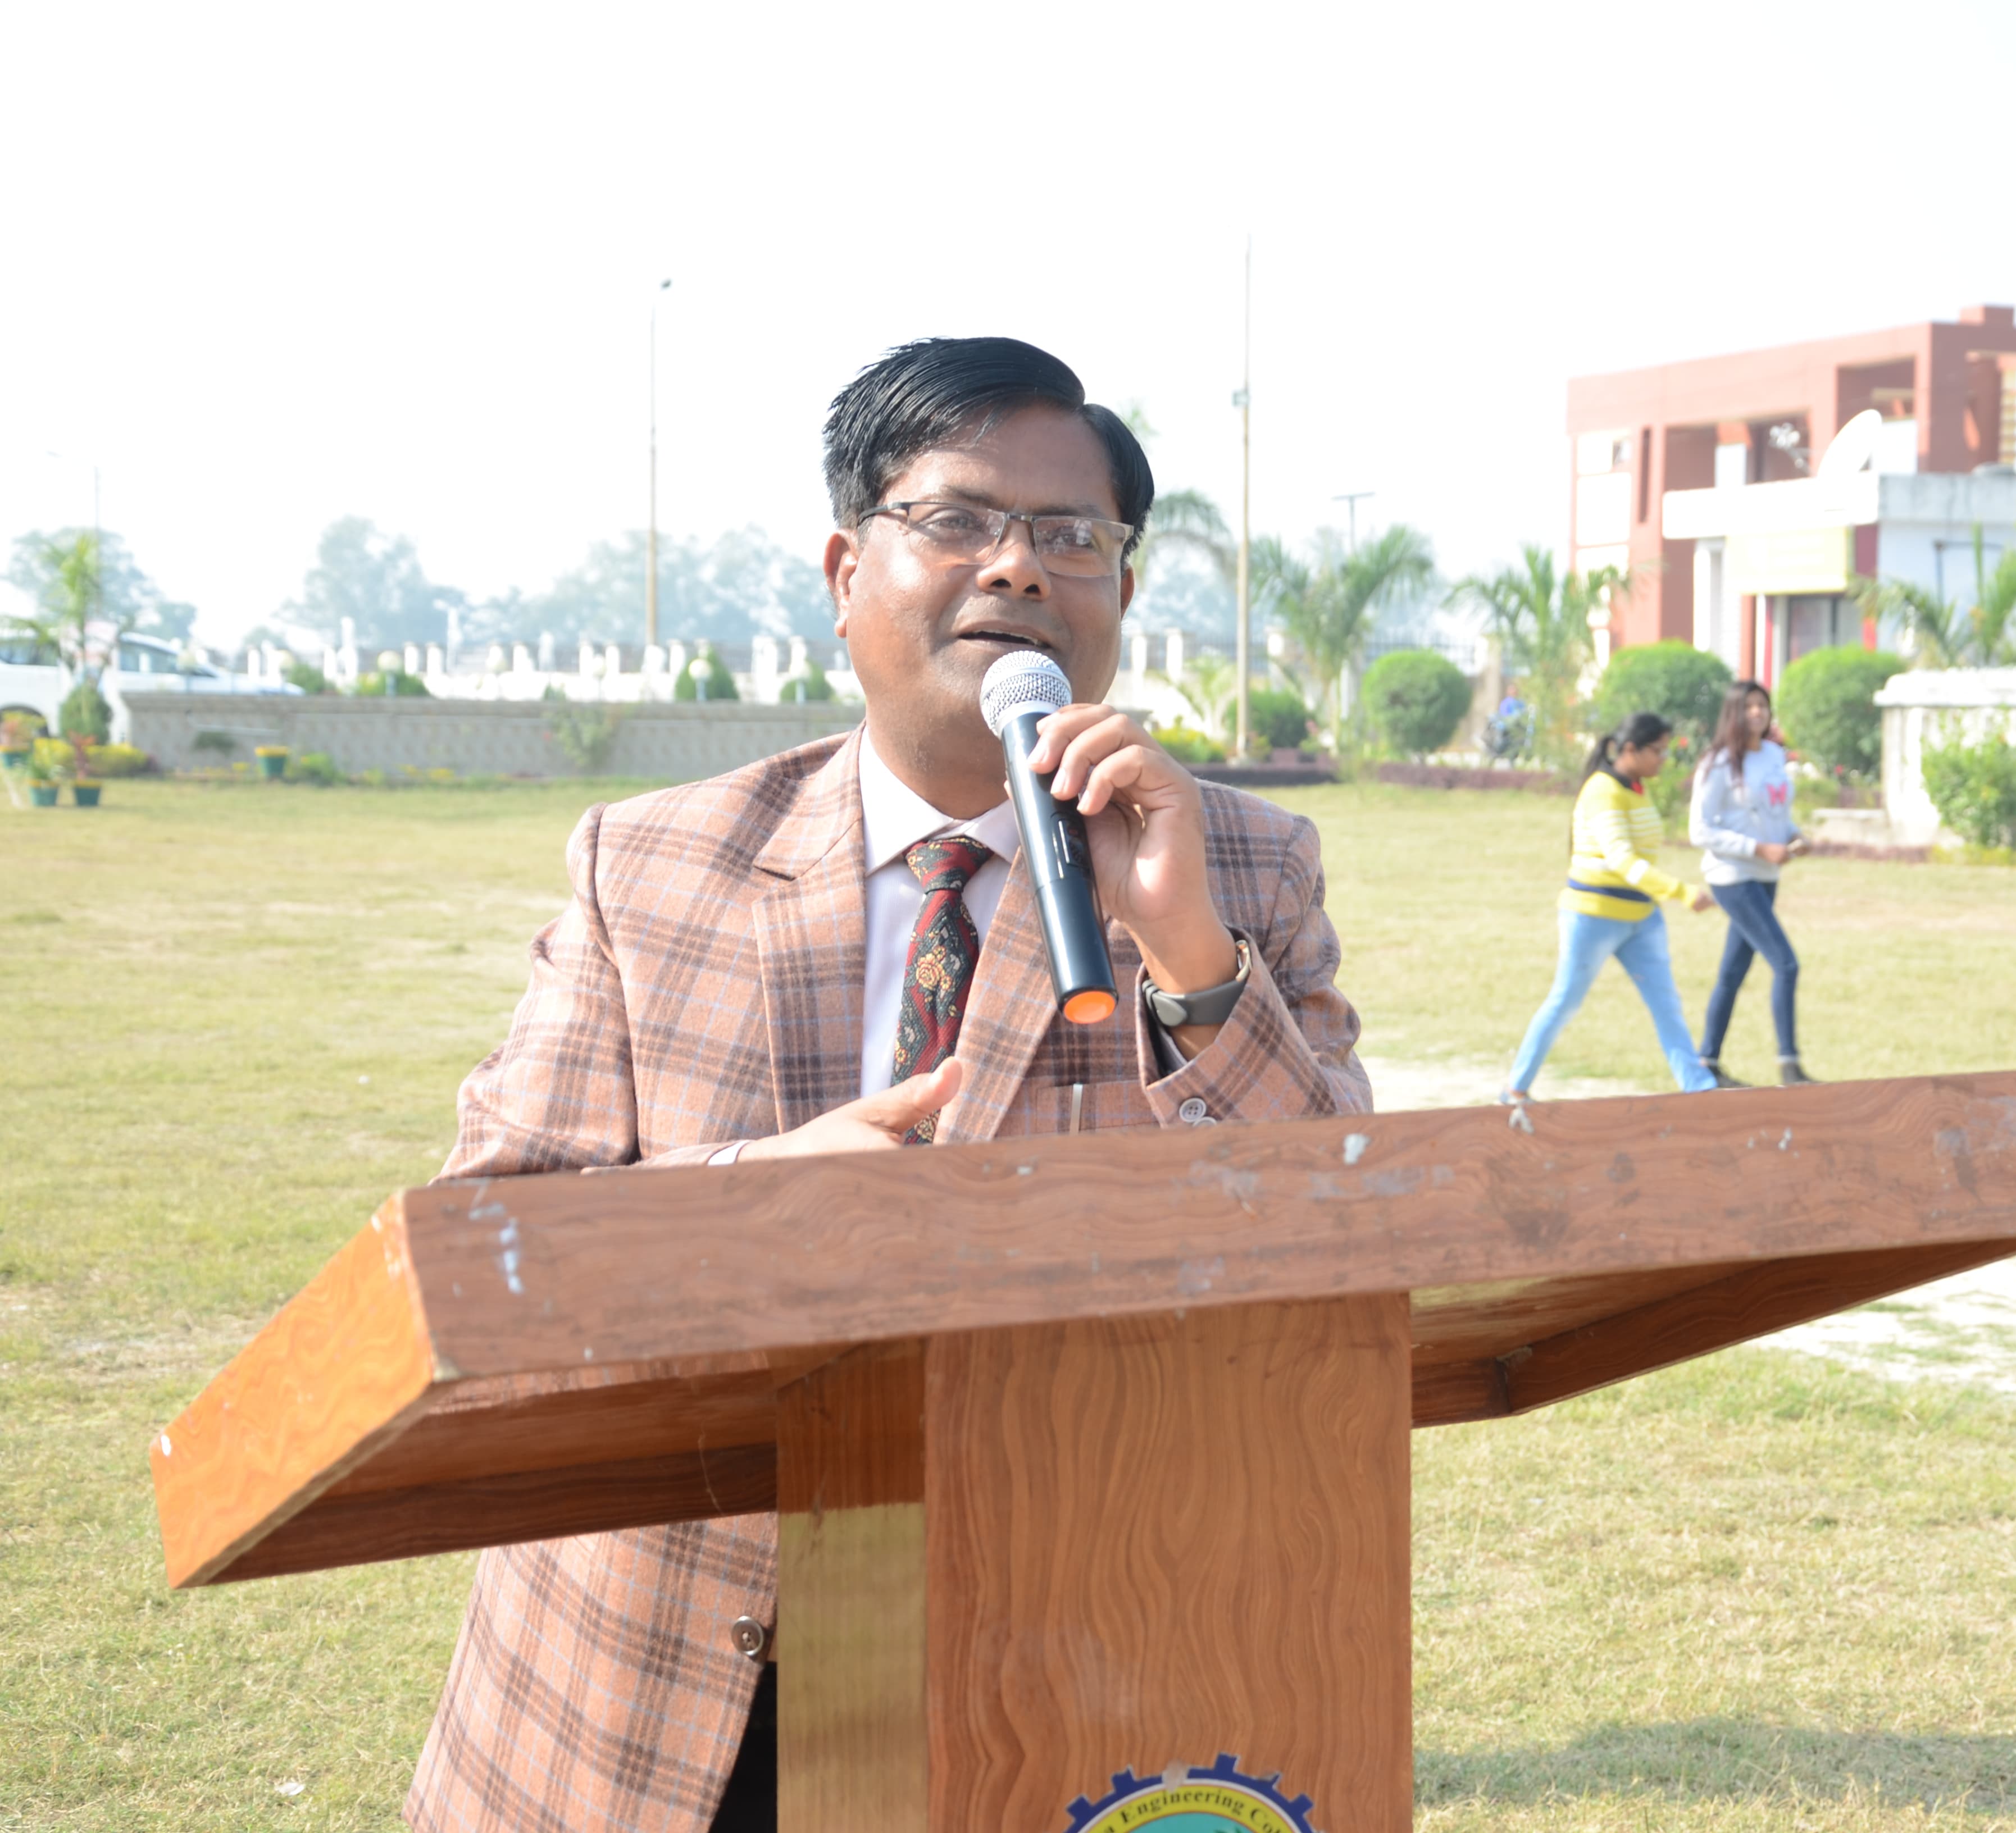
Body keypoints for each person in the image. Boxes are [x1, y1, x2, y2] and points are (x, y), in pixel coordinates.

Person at [404, 337, 1369, 1833]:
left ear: (1121, 591)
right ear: (847, 571)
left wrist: (1185, 952)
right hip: (674, 1668)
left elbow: (1346, 1241)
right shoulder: (649, 864)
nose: (1020, 566)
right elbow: (491, 1238)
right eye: (959, 520)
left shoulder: (1243, 864)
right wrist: (749, 1197)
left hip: (1069, 1658)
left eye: (1072, 536)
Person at [1503, 710, 1719, 1100]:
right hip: (1593, 917)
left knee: (1667, 1005)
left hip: (1642, 917)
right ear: (1630, 749)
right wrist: (1682, 892)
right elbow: (1621, 859)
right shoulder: (1602, 790)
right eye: (1658, 751)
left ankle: (1699, 1090)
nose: (1663, 759)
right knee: (1565, 1001)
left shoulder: (1637, 787)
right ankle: (1516, 1089)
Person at [1691, 678, 1818, 1087]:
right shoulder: (1718, 764)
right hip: (1733, 876)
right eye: (1748, 706)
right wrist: (1758, 848)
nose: (1757, 713)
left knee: (1733, 972)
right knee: (1786, 963)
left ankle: (1708, 1063)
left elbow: (1775, 812)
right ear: (1734, 712)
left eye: (1762, 705)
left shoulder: (1773, 755)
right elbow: (1700, 830)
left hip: (1766, 876)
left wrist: (1794, 836)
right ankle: (1790, 1066)